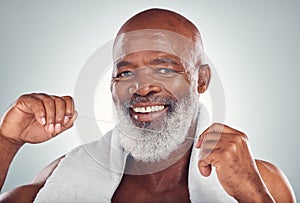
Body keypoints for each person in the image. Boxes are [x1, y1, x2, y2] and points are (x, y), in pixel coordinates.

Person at [0, 8, 296, 203]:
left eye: (165, 70)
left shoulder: (260, 181)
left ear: (201, 80)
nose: (141, 88)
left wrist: (252, 195)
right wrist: (7, 141)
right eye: (125, 72)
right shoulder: (64, 175)